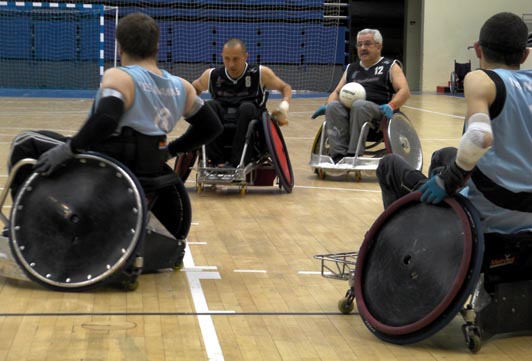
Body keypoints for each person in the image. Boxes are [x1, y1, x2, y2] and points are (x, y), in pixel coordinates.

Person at [8, 13, 223, 262]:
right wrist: (171, 150)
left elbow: (107, 119)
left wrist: (70, 149)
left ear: (119, 46)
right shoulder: (181, 86)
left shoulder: (120, 76)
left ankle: (26, 227)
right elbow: (211, 127)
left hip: (107, 165)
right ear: (156, 46)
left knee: (25, 143)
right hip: (151, 168)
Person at [376, 12, 532, 235]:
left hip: (490, 216)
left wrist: (448, 181)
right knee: (443, 155)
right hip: (527, 212)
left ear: (478, 49)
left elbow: (479, 136)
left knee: (389, 165)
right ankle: (433, 226)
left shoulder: (481, 79)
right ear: (525, 55)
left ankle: (407, 243)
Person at [312, 29, 410, 163]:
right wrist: (327, 106)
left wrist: (391, 106)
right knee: (334, 106)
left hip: (379, 114)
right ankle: (338, 156)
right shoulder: (351, 68)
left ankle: (353, 154)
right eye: (359, 44)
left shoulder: (390, 66)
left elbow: (404, 90)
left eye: (367, 44)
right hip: (352, 112)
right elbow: (336, 92)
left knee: (359, 105)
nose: (362, 48)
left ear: (378, 46)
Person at [192, 38, 292, 168]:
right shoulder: (213, 75)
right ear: (222, 57)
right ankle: (217, 161)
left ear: (245, 57)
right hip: (223, 118)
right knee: (210, 105)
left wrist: (284, 106)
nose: (231, 64)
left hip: (250, 117)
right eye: (227, 59)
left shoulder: (259, 73)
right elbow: (193, 89)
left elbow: (285, 88)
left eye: (235, 59)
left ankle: (238, 161)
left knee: (246, 108)